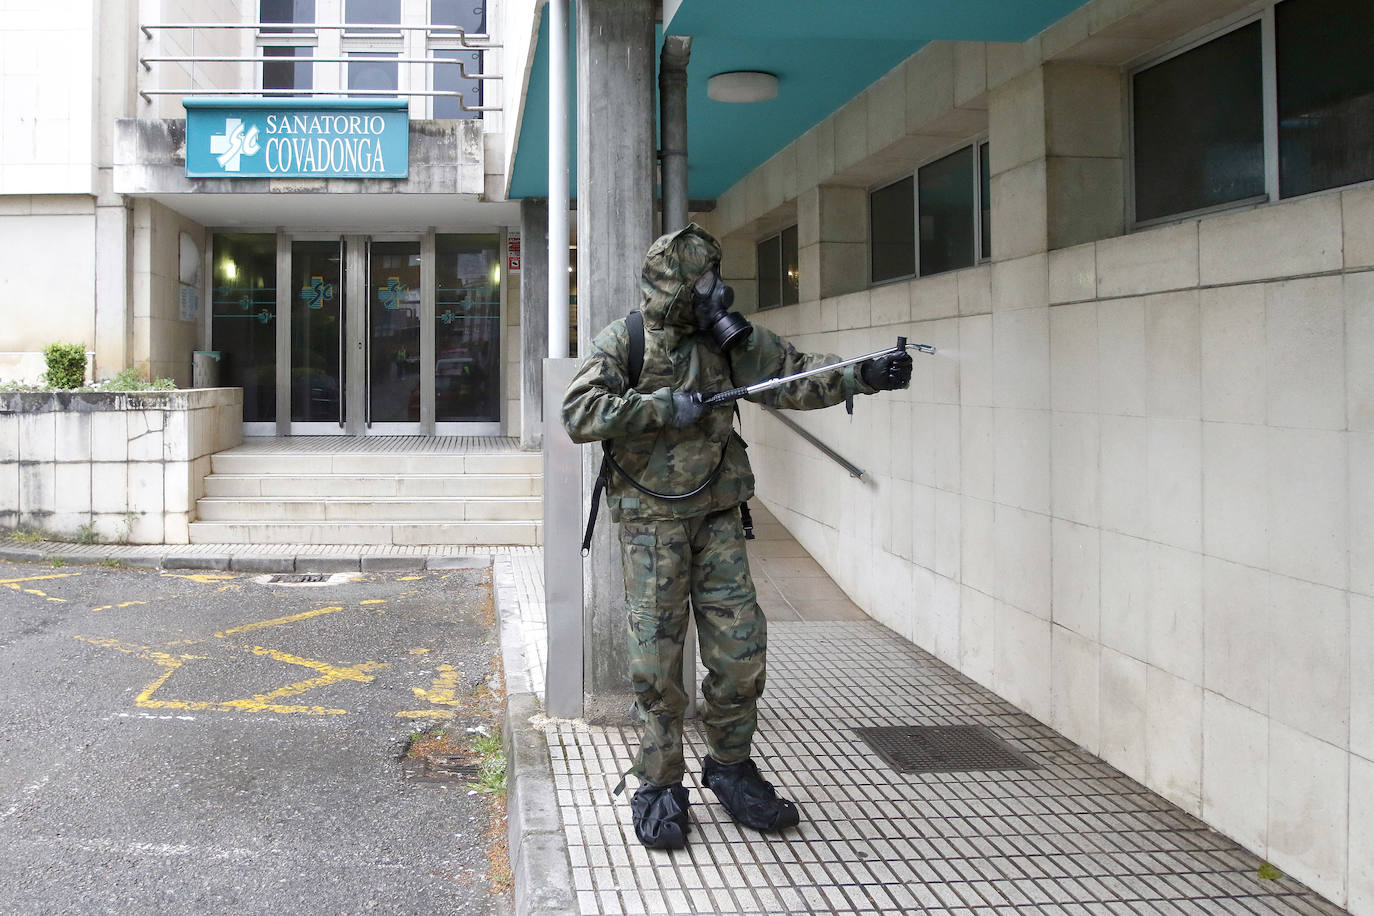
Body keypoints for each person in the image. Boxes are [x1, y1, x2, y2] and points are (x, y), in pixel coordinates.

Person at [561, 223, 912, 850]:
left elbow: (794, 374)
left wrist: (865, 374)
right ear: (672, 286)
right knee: (657, 661)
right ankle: (660, 784)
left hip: (718, 512)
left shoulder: (729, 340)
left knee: (739, 649)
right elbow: (579, 412)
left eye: (715, 277)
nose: (714, 291)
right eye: (700, 281)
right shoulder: (628, 340)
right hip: (652, 524)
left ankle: (729, 767)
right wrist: (666, 406)